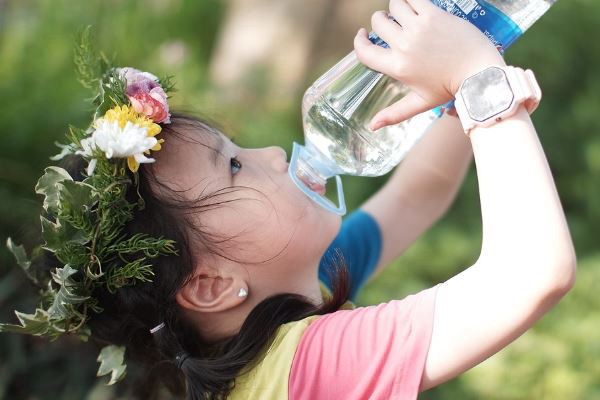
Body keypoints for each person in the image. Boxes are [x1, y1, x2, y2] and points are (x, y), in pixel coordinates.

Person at [0, 0, 575, 399]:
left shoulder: (295, 298)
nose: (274, 152)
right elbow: (531, 274)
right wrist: (478, 78)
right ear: (210, 285)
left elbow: (418, 194)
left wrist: (460, 69)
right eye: (233, 166)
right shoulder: (309, 372)